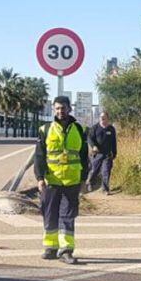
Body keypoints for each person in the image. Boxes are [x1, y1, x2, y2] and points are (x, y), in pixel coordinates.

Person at [34, 96, 89, 265]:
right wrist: (40, 177)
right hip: (52, 180)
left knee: (67, 216)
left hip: (72, 181)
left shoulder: (80, 129)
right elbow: (39, 155)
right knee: (50, 214)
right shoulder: (45, 129)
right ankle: (51, 248)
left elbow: (84, 156)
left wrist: (83, 180)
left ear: (69, 108)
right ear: (53, 109)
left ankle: (66, 250)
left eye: (63, 108)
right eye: (57, 108)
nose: (60, 111)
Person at [86, 111, 117, 194]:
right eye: (101, 117)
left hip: (107, 154)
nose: (102, 119)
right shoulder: (95, 128)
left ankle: (105, 189)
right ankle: (90, 183)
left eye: (104, 117)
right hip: (97, 154)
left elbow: (114, 141)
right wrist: (94, 146)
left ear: (107, 118)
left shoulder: (111, 129)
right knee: (94, 170)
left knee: (106, 171)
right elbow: (89, 138)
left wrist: (114, 152)